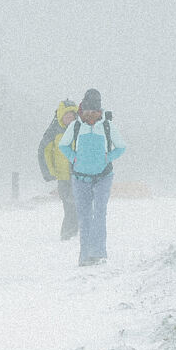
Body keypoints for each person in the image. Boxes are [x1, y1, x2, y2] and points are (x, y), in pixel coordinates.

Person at [58, 88, 126, 266]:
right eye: (87, 112)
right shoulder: (76, 126)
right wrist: (74, 157)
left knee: (100, 213)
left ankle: (99, 253)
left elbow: (121, 147)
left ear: (100, 111)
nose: (90, 115)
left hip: (103, 177)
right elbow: (63, 145)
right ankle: (85, 256)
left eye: (94, 112)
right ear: (82, 111)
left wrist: (107, 158)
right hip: (80, 178)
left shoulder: (107, 126)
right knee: (84, 216)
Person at [37, 98, 80, 239]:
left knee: (77, 206)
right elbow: (44, 151)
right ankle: (69, 235)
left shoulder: (80, 129)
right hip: (63, 177)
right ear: (61, 116)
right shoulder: (54, 131)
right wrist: (49, 173)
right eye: (66, 116)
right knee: (69, 207)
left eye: (72, 116)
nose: (69, 119)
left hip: (79, 176)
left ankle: (72, 234)